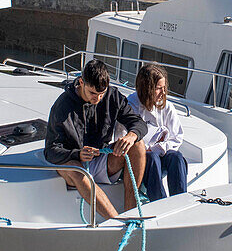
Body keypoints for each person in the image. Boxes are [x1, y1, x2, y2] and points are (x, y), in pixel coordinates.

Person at [45, 59, 148, 219]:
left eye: (101, 93)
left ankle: (131, 213)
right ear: (81, 82)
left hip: (101, 158)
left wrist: (131, 136)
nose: (98, 98)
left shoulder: (112, 96)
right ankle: (117, 222)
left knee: (138, 144)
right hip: (73, 162)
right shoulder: (62, 106)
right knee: (77, 170)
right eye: (93, 93)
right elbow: (51, 150)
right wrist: (77, 154)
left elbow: (138, 123)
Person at [128, 63, 188, 200]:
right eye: (158, 89)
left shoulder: (167, 107)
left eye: (164, 88)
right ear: (146, 88)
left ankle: (180, 201)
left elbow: (176, 137)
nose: (163, 93)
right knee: (153, 158)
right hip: (141, 158)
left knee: (176, 157)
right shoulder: (131, 106)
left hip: (159, 151)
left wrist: (157, 148)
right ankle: (159, 202)